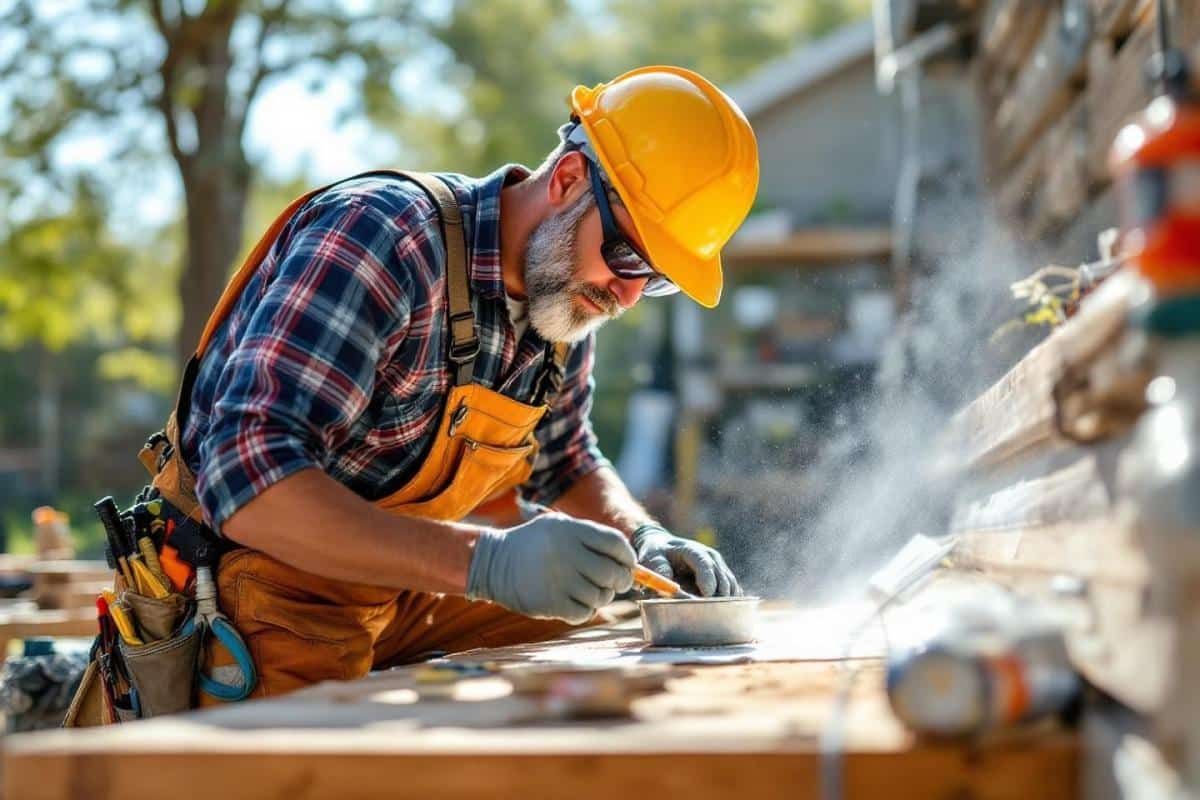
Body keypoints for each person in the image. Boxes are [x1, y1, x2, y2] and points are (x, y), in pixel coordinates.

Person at [160, 66, 759, 699]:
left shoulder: (564, 297)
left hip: (412, 586)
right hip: (265, 592)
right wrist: (484, 563)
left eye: (655, 278)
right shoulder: (382, 238)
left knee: (605, 633)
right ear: (567, 179)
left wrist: (644, 537)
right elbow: (243, 474)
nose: (630, 294)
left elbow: (565, 458)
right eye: (629, 257)